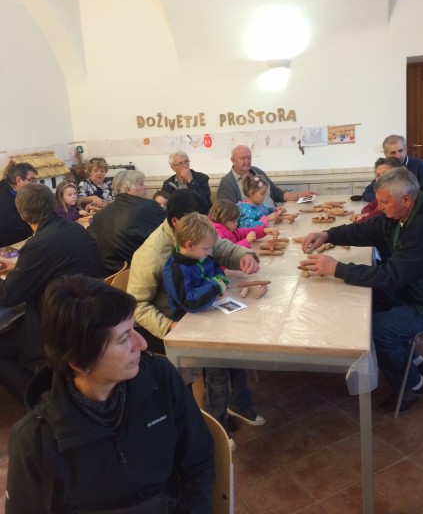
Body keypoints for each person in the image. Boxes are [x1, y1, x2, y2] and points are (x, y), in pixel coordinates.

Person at [5, 274, 214, 514]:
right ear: (80, 362)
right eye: (124, 339)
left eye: (133, 329)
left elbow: (199, 460)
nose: (142, 344)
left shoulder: (160, 378)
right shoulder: (34, 441)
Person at [300, 167, 423, 412]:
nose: (379, 207)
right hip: (416, 286)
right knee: (369, 300)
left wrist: (337, 268)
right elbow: (365, 230)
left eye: (384, 201)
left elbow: (392, 277)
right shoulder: (401, 212)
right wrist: (327, 234)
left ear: (406, 199)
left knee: (381, 329)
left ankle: (413, 385)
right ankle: (415, 360)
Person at [162, 213, 264, 444]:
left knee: (239, 358)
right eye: (206, 248)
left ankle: (239, 404)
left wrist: (220, 278)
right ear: (189, 245)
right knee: (217, 375)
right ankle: (217, 425)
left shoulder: (201, 256)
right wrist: (215, 285)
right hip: (193, 327)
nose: (209, 253)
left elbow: (216, 269)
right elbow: (189, 301)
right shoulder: (175, 268)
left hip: (214, 316)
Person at [0, 184, 106, 405]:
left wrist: (21, 270)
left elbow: (8, 296)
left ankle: (43, 406)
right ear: (53, 204)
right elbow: (56, 264)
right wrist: (20, 268)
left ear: (21, 214)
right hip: (92, 311)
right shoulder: (74, 228)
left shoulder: (38, 245)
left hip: (64, 324)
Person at [127, 189, 259, 354]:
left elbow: (221, 247)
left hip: (203, 306)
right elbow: (137, 305)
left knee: (246, 327)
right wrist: (168, 326)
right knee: (229, 347)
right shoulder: (151, 254)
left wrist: (244, 255)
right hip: (175, 322)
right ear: (176, 222)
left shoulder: (198, 230)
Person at [88, 170, 166, 276]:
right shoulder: (149, 207)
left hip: (108, 277)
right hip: (140, 274)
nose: (146, 187)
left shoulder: (99, 215)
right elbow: (172, 229)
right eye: (141, 184)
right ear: (128, 189)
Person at [217, 144, 315, 208]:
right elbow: (229, 213)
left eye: (249, 158)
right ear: (232, 160)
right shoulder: (227, 182)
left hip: (275, 215)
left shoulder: (257, 171)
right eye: (242, 158)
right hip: (254, 225)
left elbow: (276, 193)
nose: (247, 161)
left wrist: (298, 196)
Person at [361, 135, 423, 203]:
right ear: (385, 154)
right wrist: (385, 200)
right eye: (393, 153)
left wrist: (398, 203)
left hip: (422, 210)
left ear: (406, 150)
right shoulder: (386, 169)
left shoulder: (422, 166)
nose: (398, 155)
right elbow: (367, 193)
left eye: (401, 151)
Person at [209, 198, 279, 248]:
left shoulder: (231, 229)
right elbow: (228, 251)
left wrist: (263, 230)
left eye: (236, 221)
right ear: (222, 219)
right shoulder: (217, 236)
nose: (236, 224)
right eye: (233, 221)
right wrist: (246, 241)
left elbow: (244, 232)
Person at [350, 157, 402, 223]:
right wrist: (366, 215)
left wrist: (363, 217)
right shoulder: (382, 194)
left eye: (385, 174)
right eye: (378, 175)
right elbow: (368, 208)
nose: (381, 178)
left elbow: (378, 218)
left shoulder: (396, 196)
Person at [0, 162, 39, 245]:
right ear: (18, 180)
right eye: (32, 180)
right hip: (9, 243)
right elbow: (9, 222)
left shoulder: (14, 190)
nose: (34, 184)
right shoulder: (3, 195)